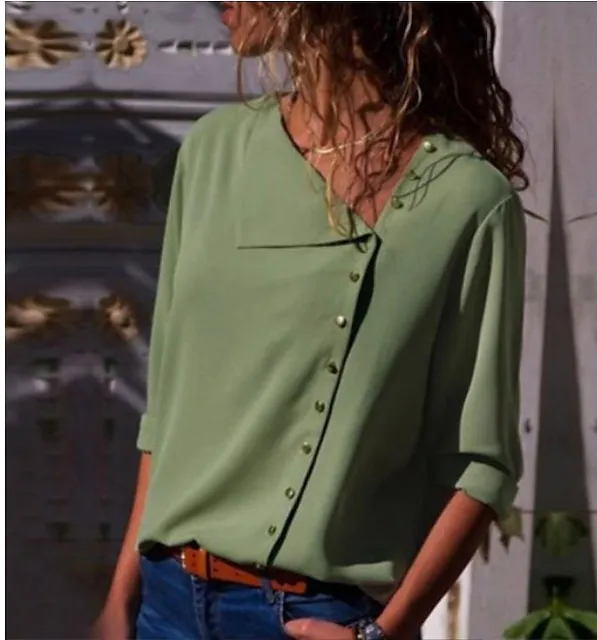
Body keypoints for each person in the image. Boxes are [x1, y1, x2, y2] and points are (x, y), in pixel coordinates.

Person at [93, 3, 528, 639]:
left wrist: (386, 633)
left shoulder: (466, 199)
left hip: (315, 618)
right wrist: (118, 602)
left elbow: (481, 465)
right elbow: (166, 417)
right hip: (163, 607)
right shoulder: (213, 153)